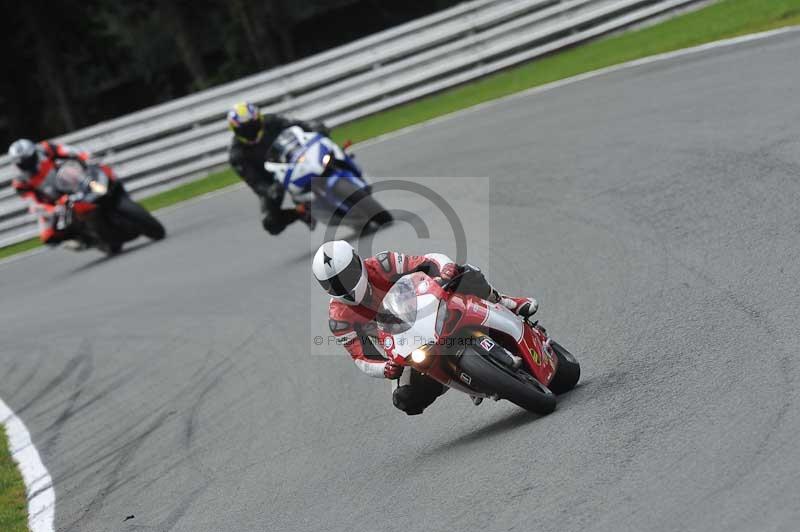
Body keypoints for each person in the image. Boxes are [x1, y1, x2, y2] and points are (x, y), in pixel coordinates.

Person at [312, 240, 539, 416]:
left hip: (431, 309)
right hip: (405, 348)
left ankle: (506, 302)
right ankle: (466, 379)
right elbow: (362, 358)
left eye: (347, 276)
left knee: (465, 272)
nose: (344, 286)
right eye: (333, 284)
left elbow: (428, 260)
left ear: (357, 262)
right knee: (405, 399)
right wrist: (385, 368)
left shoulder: (383, 263)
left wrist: (445, 268)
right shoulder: (339, 319)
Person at [227, 101, 330, 234]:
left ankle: (345, 167)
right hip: (274, 181)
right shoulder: (236, 155)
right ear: (236, 130)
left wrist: (314, 127)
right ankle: (302, 212)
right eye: (245, 129)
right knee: (270, 222)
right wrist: (270, 190)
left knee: (326, 151)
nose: (250, 131)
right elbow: (255, 182)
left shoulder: (271, 121)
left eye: (253, 125)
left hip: (295, 157)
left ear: (259, 119)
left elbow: (297, 125)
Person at [8, 138, 92, 244]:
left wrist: (86, 157)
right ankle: (76, 239)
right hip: (54, 203)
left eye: (29, 160)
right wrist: (53, 209)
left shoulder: (45, 149)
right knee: (47, 236)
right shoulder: (20, 181)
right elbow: (33, 204)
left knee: (77, 174)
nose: (27, 164)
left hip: (67, 182)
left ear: (34, 153)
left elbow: (68, 150)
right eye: (23, 163)